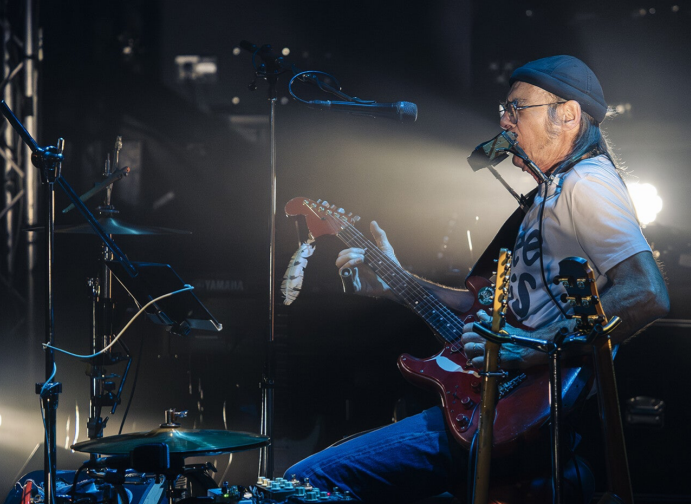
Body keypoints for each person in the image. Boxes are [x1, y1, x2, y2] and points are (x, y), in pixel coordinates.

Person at [284, 55, 670, 503]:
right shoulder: (550, 194)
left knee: (305, 480)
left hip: (518, 407)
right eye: (504, 110)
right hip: (505, 404)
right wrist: (397, 282)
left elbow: (646, 292)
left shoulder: (586, 182)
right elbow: (485, 310)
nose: (504, 121)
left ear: (567, 115)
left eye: (517, 108)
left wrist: (531, 348)